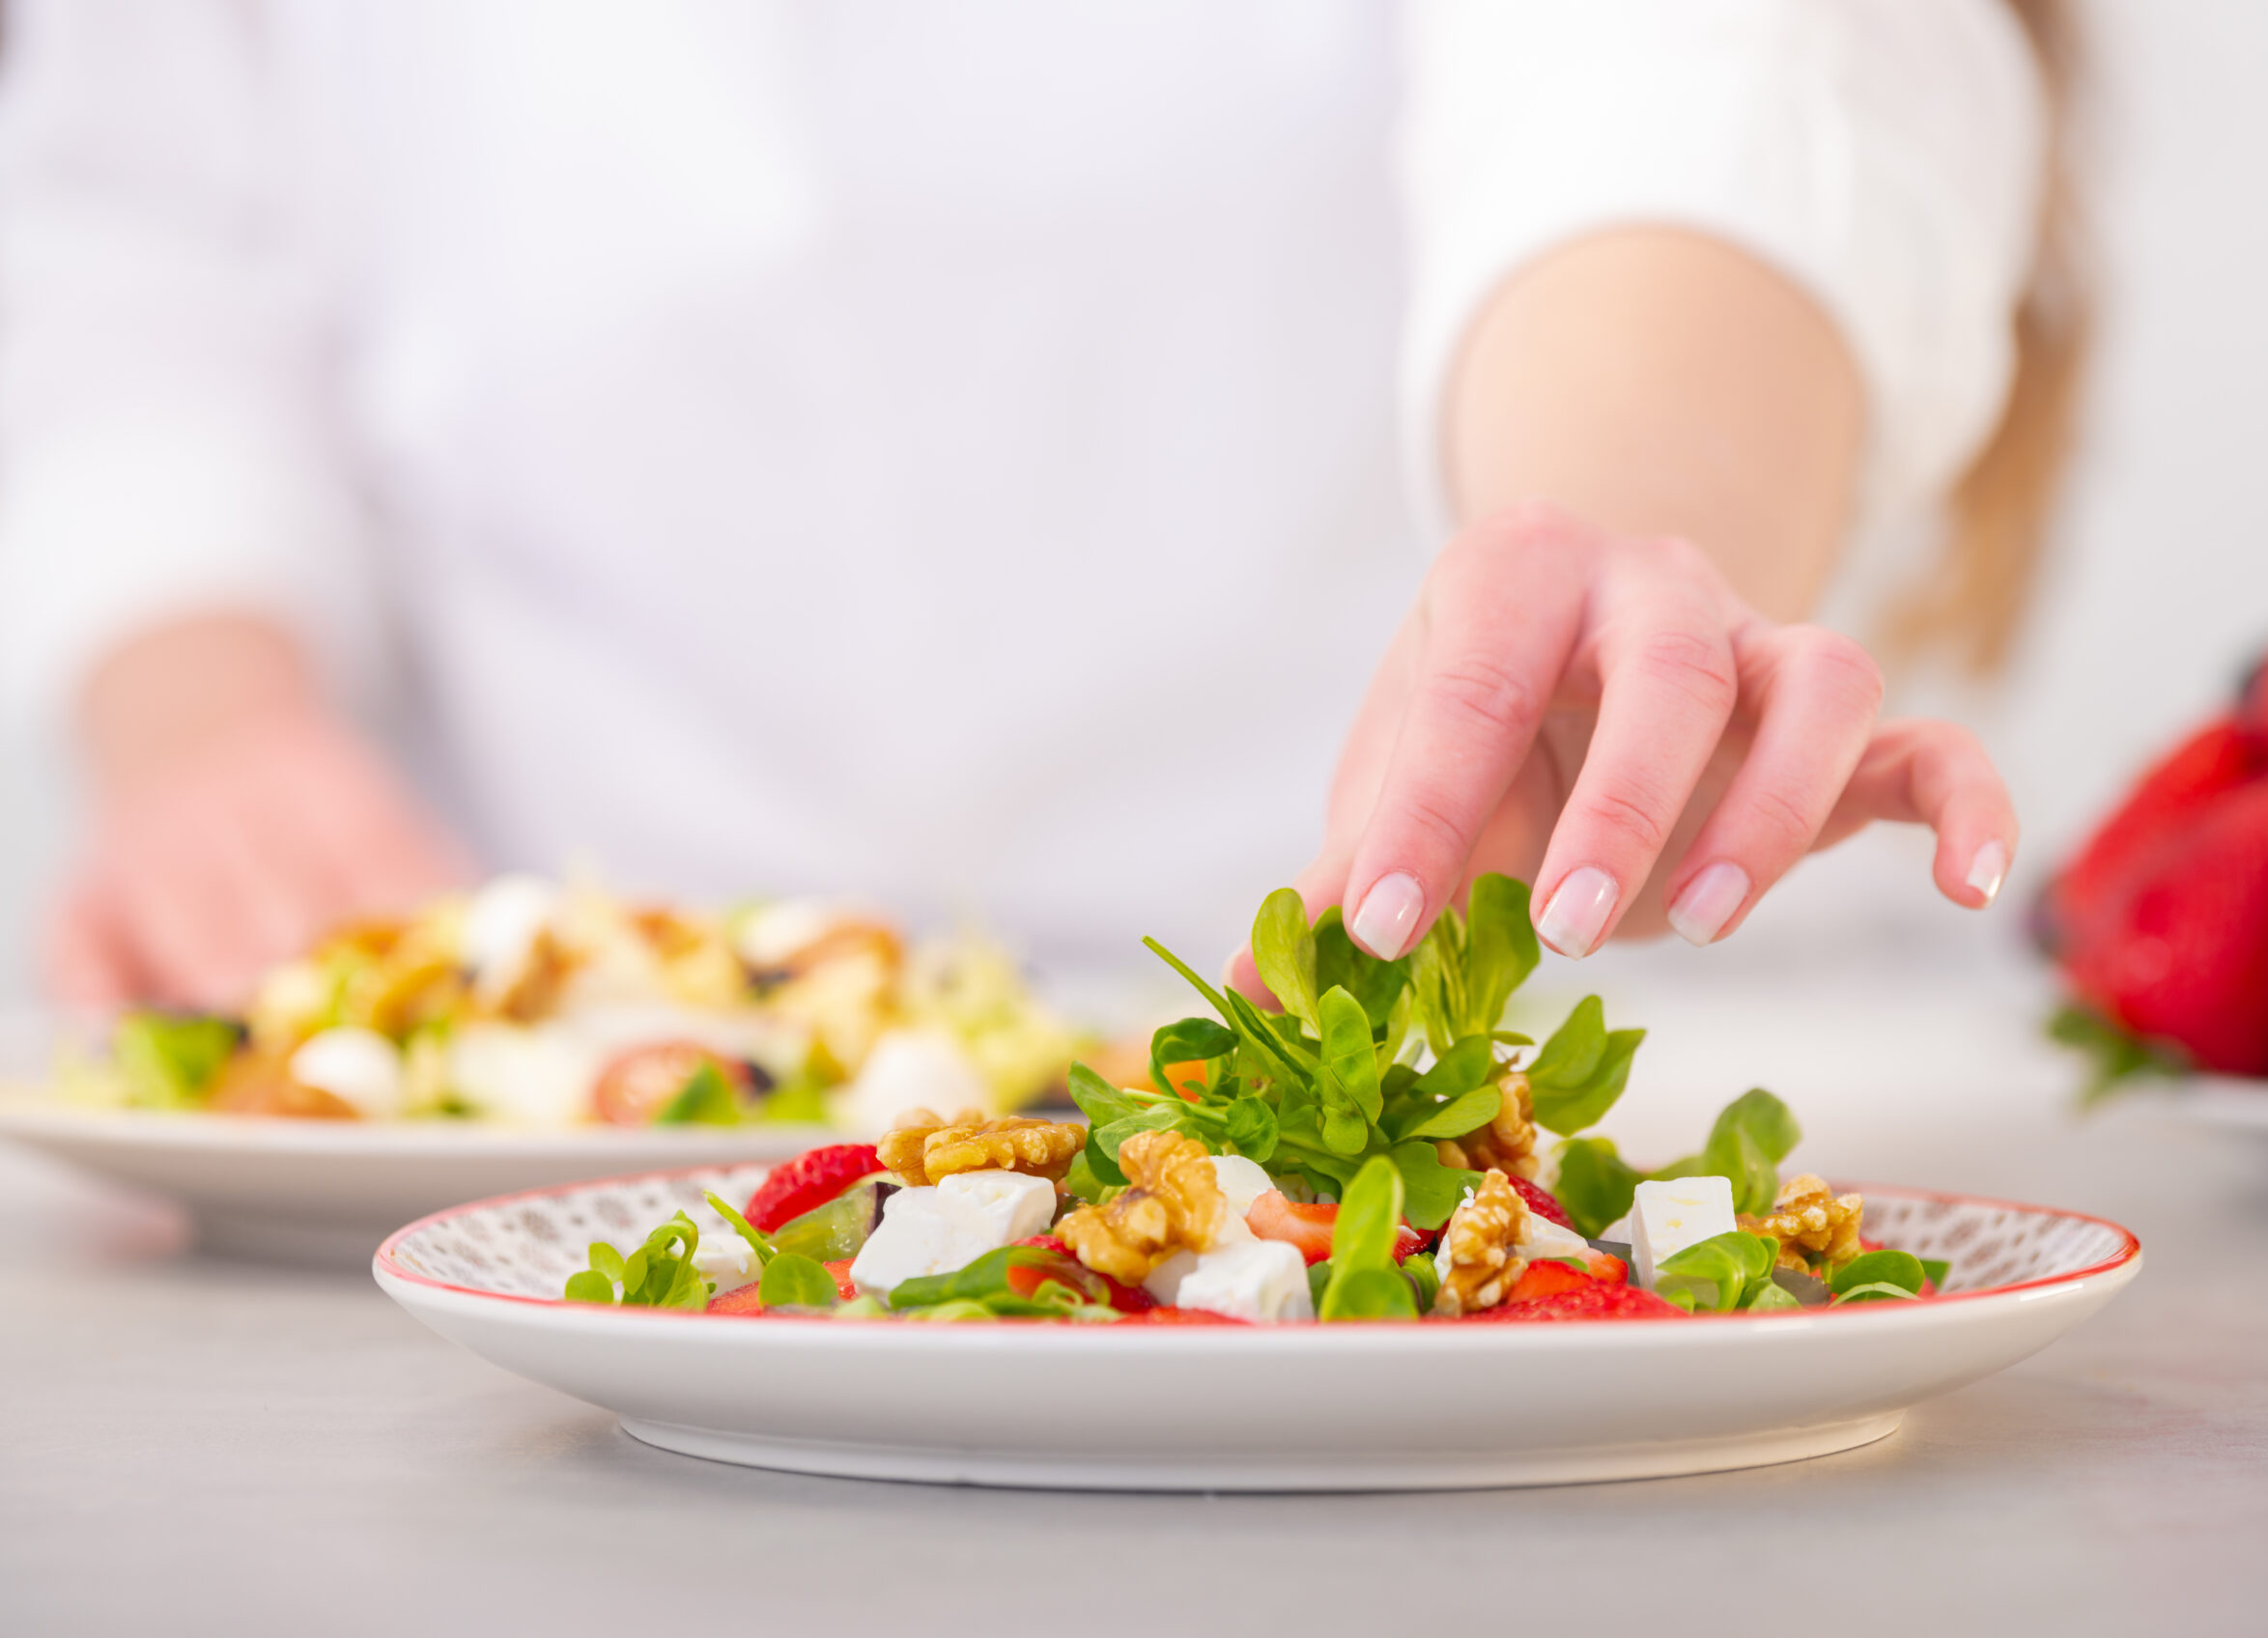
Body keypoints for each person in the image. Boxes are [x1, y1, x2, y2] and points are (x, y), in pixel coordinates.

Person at [0, 0, 2077, 1010]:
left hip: (1544, 996)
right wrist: (209, 721)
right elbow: (144, 209)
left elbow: (1707, 64)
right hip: (579, 1061)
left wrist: (1609, 563)